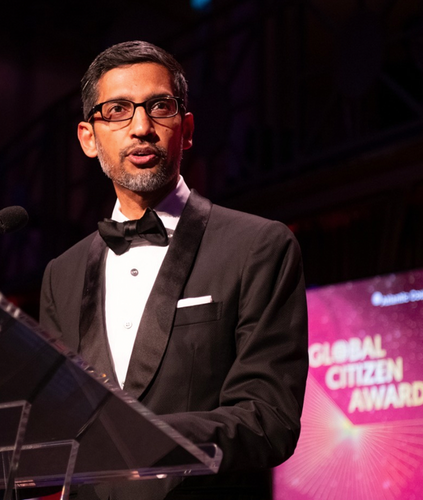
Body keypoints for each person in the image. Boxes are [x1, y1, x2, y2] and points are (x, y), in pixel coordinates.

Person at [38, 40, 308, 500]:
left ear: (186, 129)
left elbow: (269, 418)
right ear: (88, 137)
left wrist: (144, 440)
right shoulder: (59, 274)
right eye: (118, 110)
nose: (141, 127)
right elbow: (52, 425)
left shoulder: (258, 245)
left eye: (159, 107)